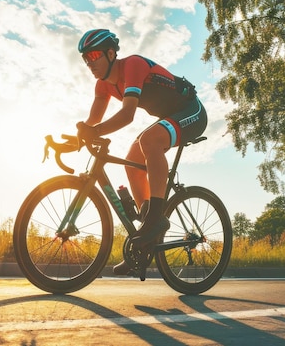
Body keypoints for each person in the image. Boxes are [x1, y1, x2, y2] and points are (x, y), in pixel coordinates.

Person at [75, 28, 208, 275]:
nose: (89, 63)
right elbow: (93, 121)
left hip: (192, 111)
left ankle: (155, 220)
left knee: (149, 141)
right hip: (170, 117)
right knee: (131, 161)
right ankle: (146, 240)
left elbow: (127, 115)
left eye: (93, 56)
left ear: (111, 53)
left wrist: (94, 132)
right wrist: (76, 138)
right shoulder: (102, 86)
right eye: (85, 59)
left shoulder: (132, 65)